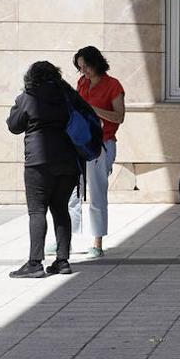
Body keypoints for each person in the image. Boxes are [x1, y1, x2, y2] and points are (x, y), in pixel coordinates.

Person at [6, 61, 96, 278]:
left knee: (37, 210)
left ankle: (35, 263)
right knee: (61, 208)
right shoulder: (67, 95)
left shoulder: (28, 96)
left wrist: (18, 103)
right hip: (68, 162)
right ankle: (62, 261)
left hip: (39, 162)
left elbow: (14, 126)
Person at [64, 46, 125, 259]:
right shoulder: (82, 83)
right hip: (80, 143)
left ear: (96, 63)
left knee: (97, 192)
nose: (84, 72)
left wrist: (91, 108)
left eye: (86, 67)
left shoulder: (113, 85)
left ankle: (97, 241)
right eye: (80, 68)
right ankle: (67, 239)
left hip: (102, 145)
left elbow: (119, 117)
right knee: (72, 191)